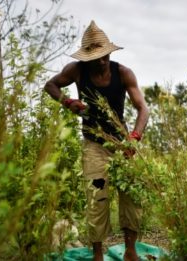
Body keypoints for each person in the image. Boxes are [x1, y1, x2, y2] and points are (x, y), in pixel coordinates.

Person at [44, 21, 149, 261]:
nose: (101, 61)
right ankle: (98, 254)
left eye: (104, 56)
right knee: (96, 198)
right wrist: (68, 102)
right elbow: (50, 85)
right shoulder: (76, 71)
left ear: (109, 52)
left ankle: (130, 251)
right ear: (86, 58)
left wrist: (134, 137)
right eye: (95, 58)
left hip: (123, 145)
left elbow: (143, 108)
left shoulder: (123, 73)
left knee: (131, 195)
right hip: (94, 146)